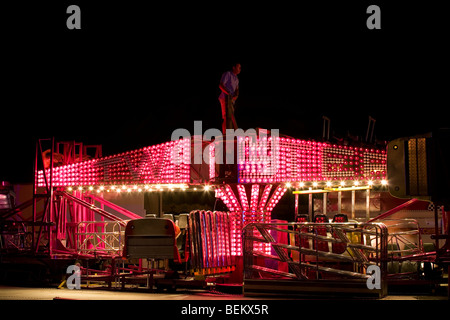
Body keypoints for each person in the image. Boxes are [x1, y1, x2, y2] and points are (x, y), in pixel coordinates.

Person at [219, 63, 241, 133]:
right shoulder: (228, 74)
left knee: (231, 118)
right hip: (225, 98)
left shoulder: (237, 79)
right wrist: (228, 94)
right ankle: (225, 134)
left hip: (231, 100)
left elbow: (237, 90)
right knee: (226, 117)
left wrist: (235, 96)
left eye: (240, 68)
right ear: (234, 67)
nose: (239, 69)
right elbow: (221, 85)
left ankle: (230, 133)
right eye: (238, 67)